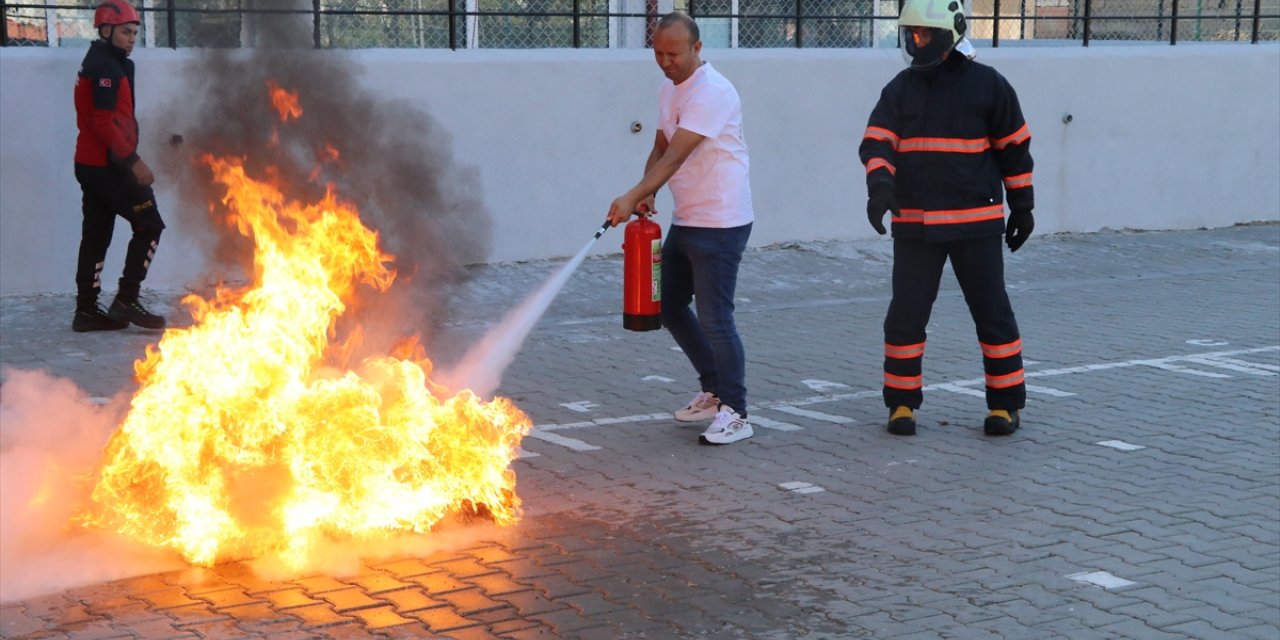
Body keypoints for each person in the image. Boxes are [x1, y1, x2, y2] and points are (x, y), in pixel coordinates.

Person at [859, 0, 1035, 437]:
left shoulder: (988, 85)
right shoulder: (900, 88)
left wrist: (1023, 206)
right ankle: (901, 405)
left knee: (993, 314)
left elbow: (1015, 147)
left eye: (925, 34)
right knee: (905, 317)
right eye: (911, 34)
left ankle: (1005, 406)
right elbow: (877, 142)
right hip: (916, 226)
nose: (916, 42)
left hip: (976, 225)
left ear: (950, 34)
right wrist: (880, 189)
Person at [606, 12, 754, 446]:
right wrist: (648, 191)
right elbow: (661, 148)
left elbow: (678, 157)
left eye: (673, 53)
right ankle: (714, 389)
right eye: (657, 53)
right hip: (688, 219)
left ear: (696, 49)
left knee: (716, 318)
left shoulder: (713, 92)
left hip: (722, 222)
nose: (665, 62)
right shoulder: (669, 89)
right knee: (667, 305)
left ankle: (737, 411)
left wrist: (633, 194)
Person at [72, 0, 167, 332]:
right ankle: (127, 299)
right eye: (126, 32)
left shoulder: (109, 62)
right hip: (108, 167)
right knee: (150, 224)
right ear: (106, 30)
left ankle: (86, 311)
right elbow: (102, 122)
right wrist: (133, 160)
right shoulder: (104, 69)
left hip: (92, 164)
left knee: (96, 236)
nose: (131, 38)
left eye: (134, 33)